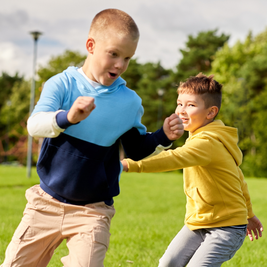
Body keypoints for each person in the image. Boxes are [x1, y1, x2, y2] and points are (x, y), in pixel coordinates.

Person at [0, 9, 184, 267]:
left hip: (92, 211)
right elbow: (34, 126)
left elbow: (136, 148)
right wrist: (68, 117)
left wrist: (163, 136)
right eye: (114, 54)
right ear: (91, 46)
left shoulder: (129, 102)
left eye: (127, 58)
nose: (120, 64)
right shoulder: (61, 84)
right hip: (45, 203)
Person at [122, 73, 263, 267]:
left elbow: (175, 157)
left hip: (227, 227)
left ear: (210, 112)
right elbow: (239, 179)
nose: (181, 110)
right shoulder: (201, 138)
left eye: (191, 105)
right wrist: (250, 215)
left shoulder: (207, 142)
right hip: (197, 223)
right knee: (168, 263)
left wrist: (131, 164)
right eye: (179, 103)